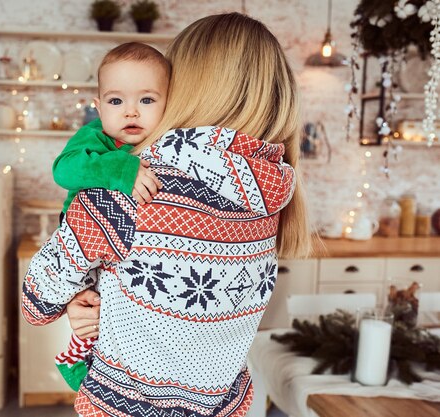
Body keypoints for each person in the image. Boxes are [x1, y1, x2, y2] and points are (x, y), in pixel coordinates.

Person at [21, 12, 311, 417]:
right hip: (219, 406)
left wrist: (74, 296)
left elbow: (35, 301)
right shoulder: (272, 194)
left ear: (186, 88)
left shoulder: (137, 192)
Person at [51, 42, 169, 390]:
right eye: (116, 101)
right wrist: (121, 169)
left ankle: (92, 364)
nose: (130, 112)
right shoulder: (96, 138)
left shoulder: (164, 142)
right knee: (87, 305)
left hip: (130, 260)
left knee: (105, 313)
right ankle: (81, 363)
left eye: (146, 100)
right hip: (80, 244)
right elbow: (63, 170)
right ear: (99, 106)